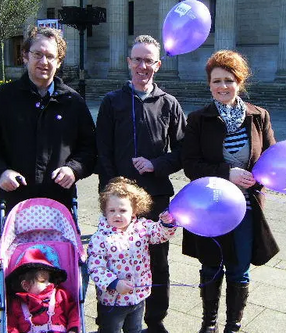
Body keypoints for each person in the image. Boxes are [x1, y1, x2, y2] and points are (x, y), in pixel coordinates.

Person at [181, 50, 280, 333]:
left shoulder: (259, 116)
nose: (222, 86)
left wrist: (262, 179)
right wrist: (227, 173)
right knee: (211, 267)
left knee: (239, 269)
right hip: (209, 207)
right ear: (209, 84)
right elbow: (190, 165)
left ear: (240, 82)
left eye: (229, 80)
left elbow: (271, 161)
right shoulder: (199, 119)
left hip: (247, 209)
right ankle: (208, 324)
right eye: (216, 81)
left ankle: (232, 326)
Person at [95, 35, 186, 333]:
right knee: (111, 259)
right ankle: (108, 319)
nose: (142, 65)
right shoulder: (112, 102)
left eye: (149, 60)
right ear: (128, 62)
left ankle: (154, 320)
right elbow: (102, 151)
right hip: (118, 203)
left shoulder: (169, 104)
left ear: (158, 65)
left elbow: (183, 151)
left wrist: (156, 165)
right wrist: (109, 194)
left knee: (158, 261)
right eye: (137, 59)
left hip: (156, 196)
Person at [0, 26, 97, 234]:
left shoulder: (73, 102)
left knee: (59, 265)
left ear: (59, 61)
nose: (44, 62)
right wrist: (1, 171)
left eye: (50, 56)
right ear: (25, 56)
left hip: (59, 204)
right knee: (18, 265)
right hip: (15, 201)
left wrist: (73, 169)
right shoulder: (2, 98)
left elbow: (89, 146)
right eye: (37, 54)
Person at [87, 176, 177, 333]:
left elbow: (160, 234)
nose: (117, 215)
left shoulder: (142, 228)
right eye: (112, 211)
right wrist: (114, 283)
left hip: (138, 295)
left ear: (134, 211)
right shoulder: (100, 238)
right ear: (105, 211)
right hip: (112, 301)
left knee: (134, 329)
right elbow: (95, 267)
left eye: (123, 210)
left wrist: (166, 223)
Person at [6, 245, 79, 333]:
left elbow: (73, 312)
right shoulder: (17, 304)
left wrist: (73, 328)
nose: (48, 284)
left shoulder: (60, 295)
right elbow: (11, 325)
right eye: (42, 281)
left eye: (49, 280)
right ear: (26, 285)